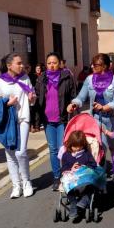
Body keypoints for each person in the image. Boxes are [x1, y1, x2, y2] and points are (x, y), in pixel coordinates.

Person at [0, 53, 37, 198]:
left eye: (22, 62)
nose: (22, 65)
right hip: (7, 122)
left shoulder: (25, 78)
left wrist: (32, 98)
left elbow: (32, 96)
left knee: (21, 152)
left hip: (22, 119)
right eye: (18, 63)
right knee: (10, 154)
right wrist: (6, 103)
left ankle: (26, 182)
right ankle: (16, 185)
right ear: (9, 65)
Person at [67, 53, 114, 166]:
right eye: (92, 64)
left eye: (95, 65)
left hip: (112, 118)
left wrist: (104, 107)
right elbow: (81, 97)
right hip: (96, 119)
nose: (92, 67)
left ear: (105, 66)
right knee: (99, 148)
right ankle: (100, 177)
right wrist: (74, 104)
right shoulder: (89, 79)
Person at [35, 52, 77, 191]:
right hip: (48, 121)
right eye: (49, 63)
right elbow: (37, 99)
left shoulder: (66, 77)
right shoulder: (41, 79)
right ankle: (56, 176)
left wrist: (73, 109)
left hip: (62, 119)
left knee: (63, 149)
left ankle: (66, 175)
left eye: (54, 62)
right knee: (53, 150)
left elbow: (73, 96)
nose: (52, 65)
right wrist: (36, 121)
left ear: (59, 63)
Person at [60, 130, 98, 221]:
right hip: (72, 179)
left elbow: (93, 165)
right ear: (70, 145)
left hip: (84, 178)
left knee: (90, 185)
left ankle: (83, 201)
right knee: (67, 186)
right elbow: (63, 169)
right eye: (74, 146)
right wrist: (71, 168)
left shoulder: (86, 154)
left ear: (83, 145)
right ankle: (73, 205)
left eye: (79, 147)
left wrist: (84, 167)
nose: (77, 149)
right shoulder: (66, 155)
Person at [29, 64, 44, 133]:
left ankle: (37, 126)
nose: (38, 69)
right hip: (33, 95)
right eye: (37, 68)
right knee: (32, 111)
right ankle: (32, 126)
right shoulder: (32, 76)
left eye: (39, 68)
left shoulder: (43, 75)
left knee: (38, 111)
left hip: (40, 96)